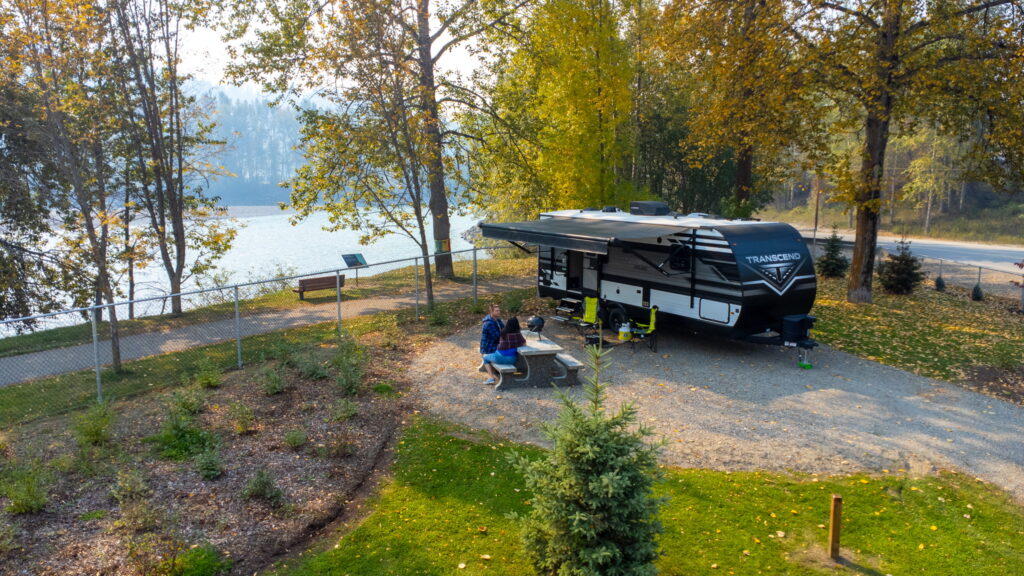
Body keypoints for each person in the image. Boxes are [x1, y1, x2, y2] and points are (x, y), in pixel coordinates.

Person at [482, 316, 527, 385]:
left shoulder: (503, 332)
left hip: (499, 357)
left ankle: (491, 378)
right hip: (512, 360)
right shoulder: (518, 334)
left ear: (508, 324)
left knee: (485, 357)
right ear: (517, 324)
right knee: (492, 356)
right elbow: (524, 344)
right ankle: (496, 373)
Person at [479, 303, 504, 384]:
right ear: (491, 312)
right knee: (487, 357)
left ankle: (496, 371)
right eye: (497, 311)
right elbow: (497, 336)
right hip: (487, 346)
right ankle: (491, 377)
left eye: (499, 310)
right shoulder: (489, 323)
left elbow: (504, 329)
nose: (499, 312)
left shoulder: (497, 320)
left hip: (494, 343)